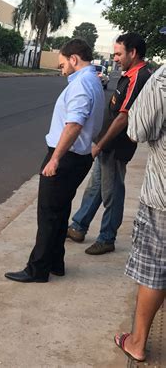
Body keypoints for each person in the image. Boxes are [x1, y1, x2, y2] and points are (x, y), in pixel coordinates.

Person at [4, 39, 105, 283]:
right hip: (77, 157)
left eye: (62, 65)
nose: (61, 70)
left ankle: (37, 269)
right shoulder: (93, 81)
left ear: (74, 59)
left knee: (48, 213)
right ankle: (55, 263)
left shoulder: (82, 84)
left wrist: (55, 158)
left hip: (66, 156)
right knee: (59, 212)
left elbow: (74, 125)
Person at [66, 33, 151, 255]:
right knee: (95, 188)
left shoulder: (138, 77)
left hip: (115, 145)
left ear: (133, 53)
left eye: (118, 53)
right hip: (107, 144)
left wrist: (100, 144)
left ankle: (107, 237)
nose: (115, 58)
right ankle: (78, 226)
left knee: (112, 191)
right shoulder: (129, 74)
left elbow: (123, 117)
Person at [114, 64, 165, 362]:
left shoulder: (162, 80)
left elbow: (137, 131)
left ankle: (137, 342)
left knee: (155, 269)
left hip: (163, 197)